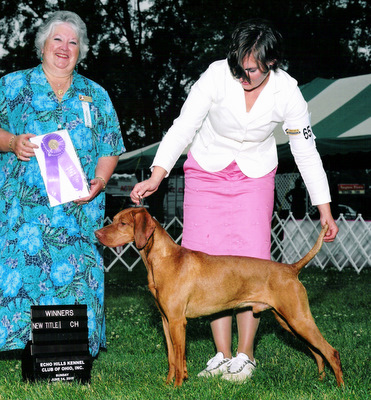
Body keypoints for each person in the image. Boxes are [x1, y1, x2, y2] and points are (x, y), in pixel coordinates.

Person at [130, 18, 338, 382]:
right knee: (205, 265)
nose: (242, 75)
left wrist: (324, 207)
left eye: (252, 70)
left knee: (252, 264)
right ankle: (221, 354)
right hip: (207, 171)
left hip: (255, 176)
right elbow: (184, 126)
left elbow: (305, 149)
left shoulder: (288, 92)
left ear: (271, 64)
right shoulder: (215, 75)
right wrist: (158, 173)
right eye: (238, 67)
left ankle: (245, 355)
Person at [0, 11, 125, 357]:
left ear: (81, 51)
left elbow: (110, 146)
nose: (64, 48)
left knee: (77, 275)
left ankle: (67, 352)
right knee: (23, 271)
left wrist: (100, 180)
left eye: (73, 43)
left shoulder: (95, 95)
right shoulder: (11, 85)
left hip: (78, 209)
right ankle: (24, 344)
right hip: (22, 211)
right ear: (42, 45)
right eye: (57, 39)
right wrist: (11, 142)